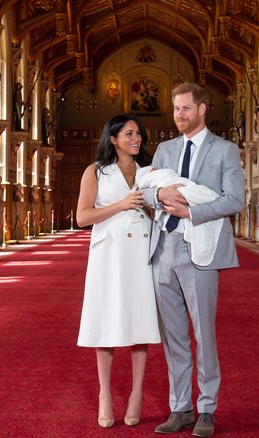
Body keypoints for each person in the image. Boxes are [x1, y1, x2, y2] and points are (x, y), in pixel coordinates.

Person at [141, 82, 244, 437]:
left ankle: (206, 409)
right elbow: (145, 191)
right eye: (176, 109)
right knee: (173, 336)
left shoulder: (225, 150)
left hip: (199, 248)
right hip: (162, 249)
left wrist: (191, 210)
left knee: (203, 333)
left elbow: (234, 200)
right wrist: (158, 193)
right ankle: (180, 407)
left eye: (186, 108)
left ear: (202, 109)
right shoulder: (165, 148)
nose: (179, 115)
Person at [76, 114, 160, 429]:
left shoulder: (149, 172)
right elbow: (83, 217)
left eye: (138, 133)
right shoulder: (96, 171)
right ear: (112, 139)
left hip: (141, 253)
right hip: (108, 255)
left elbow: (157, 212)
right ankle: (105, 394)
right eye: (128, 133)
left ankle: (137, 392)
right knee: (107, 322)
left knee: (140, 322)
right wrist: (122, 204)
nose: (135, 138)